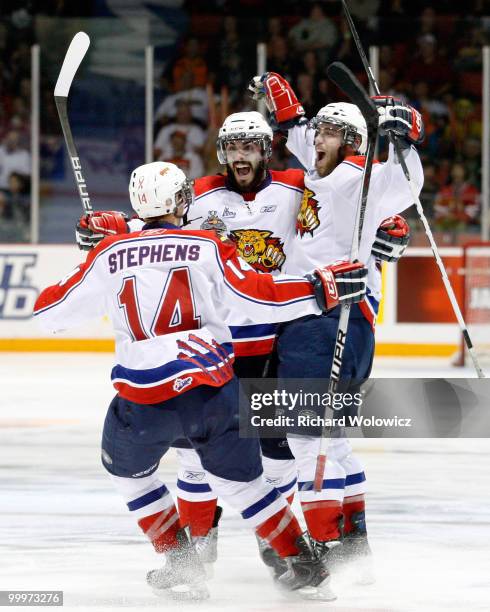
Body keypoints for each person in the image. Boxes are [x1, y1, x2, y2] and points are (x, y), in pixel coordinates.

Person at [37, 161, 368, 601]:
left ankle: (180, 561)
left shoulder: (110, 253)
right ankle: (306, 567)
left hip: (143, 404)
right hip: (213, 393)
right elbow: (259, 297)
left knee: (131, 475)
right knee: (246, 485)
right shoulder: (207, 243)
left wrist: (97, 256)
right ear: (179, 201)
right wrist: (319, 287)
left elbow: (48, 313)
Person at [249, 71, 424, 575]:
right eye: (318, 131)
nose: (314, 140)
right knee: (332, 441)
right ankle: (353, 543)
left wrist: (404, 132)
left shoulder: (357, 178)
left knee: (306, 439)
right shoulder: (327, 167)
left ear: (351, 143)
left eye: (326, 133)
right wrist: (284, 106)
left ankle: (323, 545)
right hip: (339, 325)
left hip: (328, 321)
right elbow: (299, 133)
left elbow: (407, 181)